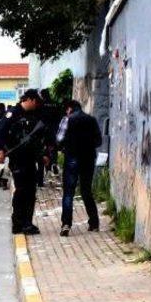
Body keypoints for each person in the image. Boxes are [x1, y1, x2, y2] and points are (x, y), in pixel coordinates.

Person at [0, 89, 48, 235]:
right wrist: (0, 150)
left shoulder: (33, 115)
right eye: (36, 101)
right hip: (18, 158)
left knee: (30, 192)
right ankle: (19, 223)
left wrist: (41, 155)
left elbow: (36, 139)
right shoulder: (12, 114)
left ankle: (26, 223)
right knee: (22, 191)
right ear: (29, 99)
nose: (37, 104)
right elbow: (0, 133)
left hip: (30, 159)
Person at [58, 100, 102, 237]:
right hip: (88, 158)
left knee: (69, 192)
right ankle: (94, 223)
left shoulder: (67, 120)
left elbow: (59, 139)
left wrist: (65, 146)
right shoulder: (92, 120)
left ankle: (66, 224)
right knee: (86, 190)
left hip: (72, 157)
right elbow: (99, 141)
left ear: (69, 108)